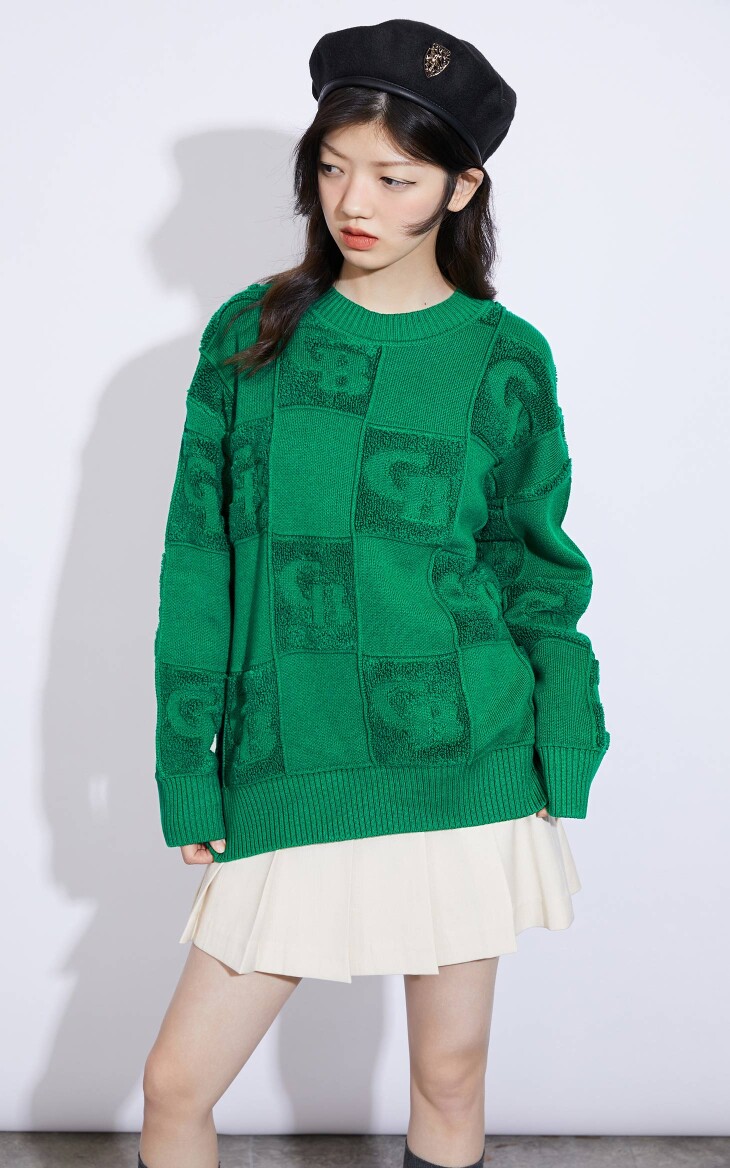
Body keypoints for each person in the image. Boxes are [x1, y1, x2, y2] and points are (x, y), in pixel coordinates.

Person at [139, 18, 611, 1168]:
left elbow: (532, 564)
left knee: (449, 1078)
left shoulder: (503, 356)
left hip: (464, 750)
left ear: (460, 187)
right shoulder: (252, 336)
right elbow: (199, 558)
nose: (352, 201)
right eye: (333, 166)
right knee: (176, 1086)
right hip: (294, 749)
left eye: (393, 177)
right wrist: (184, 760)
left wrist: (562, 736)